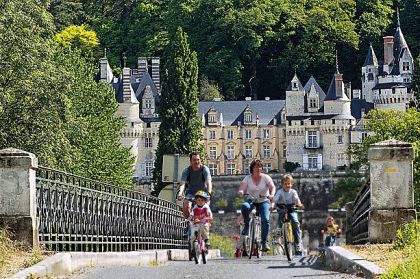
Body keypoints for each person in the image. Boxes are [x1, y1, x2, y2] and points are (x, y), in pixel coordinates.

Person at [238, 159, 276, 252]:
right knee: (245, 206)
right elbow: (242, 187)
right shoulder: (247, 178)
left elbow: (272, 187)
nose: (258, 168)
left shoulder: (266, 177)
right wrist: (241, 191)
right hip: (252, 200)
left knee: (265, 220)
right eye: (256, 167)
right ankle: (247, 225)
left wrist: (272, 195)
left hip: (264, 201)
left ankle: (264, 242)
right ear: (252, 168)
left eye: (260, 167)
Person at [272, 174, 304, 256]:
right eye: (285, 184)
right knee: (281, 214)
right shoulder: (279, 191)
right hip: (281, 207)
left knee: (295, 221)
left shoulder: (293, 192)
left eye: (289, 184)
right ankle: (279, 228)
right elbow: (275, 199)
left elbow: (296, 199)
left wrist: (299, 204)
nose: (287, 185)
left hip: (291, 208)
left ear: (291, 184)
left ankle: (297, 244)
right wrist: (272, 206)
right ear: (282, 184)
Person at [177, 152, 212, 219]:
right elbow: (182, 183)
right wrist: (180, 193)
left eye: (198, 159)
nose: (197, 162)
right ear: (190, 161)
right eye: (194, 160)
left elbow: (209, 182)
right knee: (186, 206)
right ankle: (188, 222)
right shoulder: (187, 170)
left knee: (202, 211)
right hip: (191, 193)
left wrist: (209, 193)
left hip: (202, 193)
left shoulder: (204, 169)